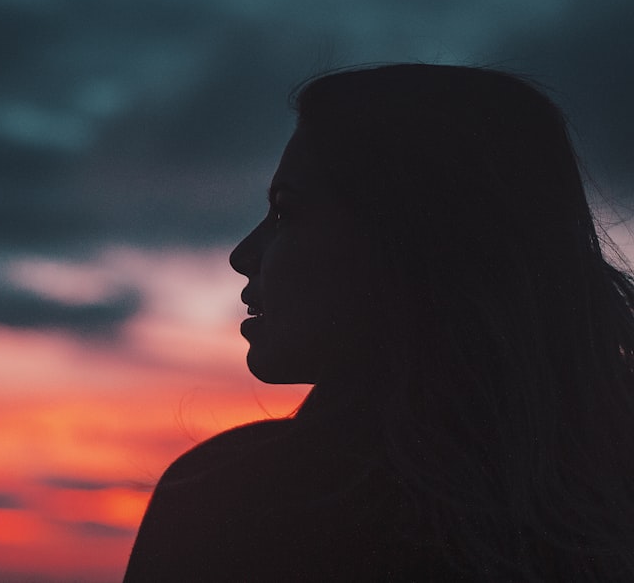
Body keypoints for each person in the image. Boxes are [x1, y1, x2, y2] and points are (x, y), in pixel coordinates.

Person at [124, 64, 634, 581]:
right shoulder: (605, 502)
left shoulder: (229, 502)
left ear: (414, 242)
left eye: (287, 212)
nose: (243, 255)